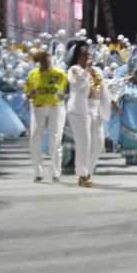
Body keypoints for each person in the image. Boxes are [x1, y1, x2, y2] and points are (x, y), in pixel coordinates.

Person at [65, 44, 112, 187]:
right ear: (78, 57)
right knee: (83, 144)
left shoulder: (96, 71)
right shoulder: (74, 70)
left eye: (89, 54)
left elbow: (103, 88)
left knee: (98, 143)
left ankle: (88, 171)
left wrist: (113, 103)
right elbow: (79, 84)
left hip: (95, 109)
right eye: (84, 55)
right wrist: (86, 70)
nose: (88, 57)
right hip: (80, 110)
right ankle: (82, 175)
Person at [25, 50, 67, 182]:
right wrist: (30, 94)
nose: (46, 59)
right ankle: (38, 172)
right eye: (43, 57)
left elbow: (70, 90)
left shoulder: (60, 73)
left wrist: (65, 96)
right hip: (39, 108)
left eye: (48, 56)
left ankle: (55, 173)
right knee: (34, 139)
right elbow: (27, 93)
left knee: (55, 139)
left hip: (56, 107)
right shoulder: (33, 74)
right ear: (38, 60)